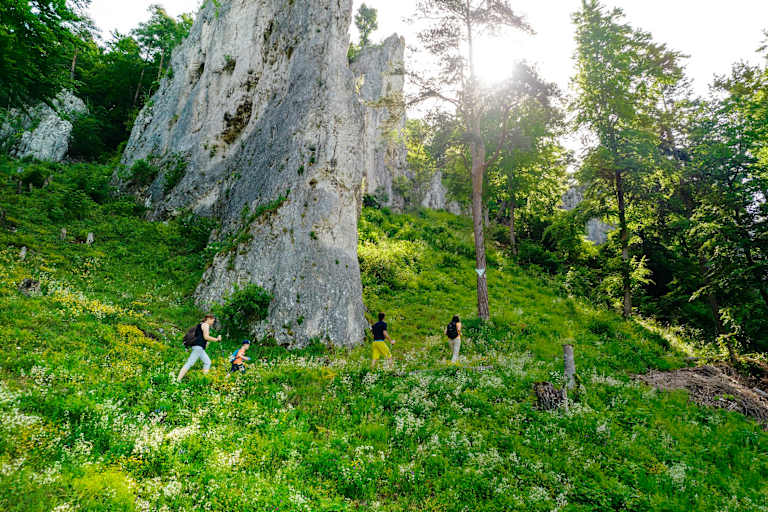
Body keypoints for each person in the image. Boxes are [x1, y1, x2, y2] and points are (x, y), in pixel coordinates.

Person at [177, 314, 221, 381]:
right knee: (190, 363)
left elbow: (200, 337)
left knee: (207, 362)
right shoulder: (206, 325)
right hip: (198, 348)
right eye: (212, 321)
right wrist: (216, 339)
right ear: (209, 319)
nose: (212, 323)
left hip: (198, 347)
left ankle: (204, 379)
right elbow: (206, 336)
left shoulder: (200, 324)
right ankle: (178, 380)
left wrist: (205, 343)